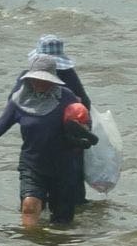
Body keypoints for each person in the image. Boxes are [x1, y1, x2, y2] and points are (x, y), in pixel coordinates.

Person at [0, 55, 86, 227]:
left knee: (62, 222)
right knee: (29, 206)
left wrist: (81, 132)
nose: (39, 84)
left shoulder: (67, 99)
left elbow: (84, 128)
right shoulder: (19, 101)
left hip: (64, 167)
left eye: (44, 80)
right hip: (32, 165)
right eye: (36, 79)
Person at [21, 35, 91, 204]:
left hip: (60, 143)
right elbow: (86, 103)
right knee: (70, 190)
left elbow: (84, 106)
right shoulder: (66, 75)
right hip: (58, 146)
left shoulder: (65, 78)